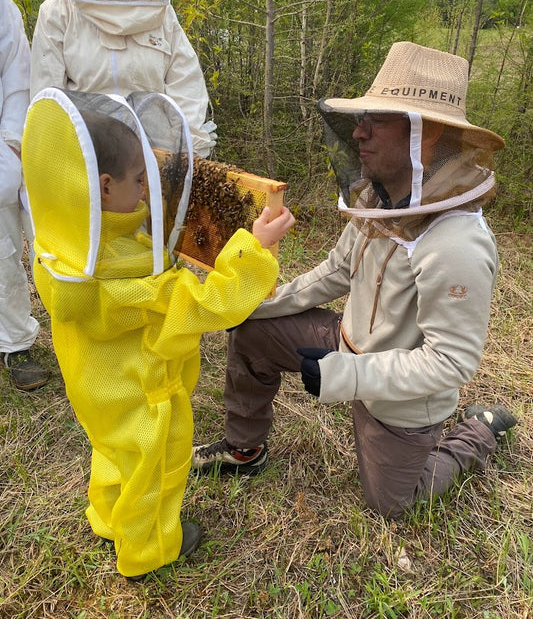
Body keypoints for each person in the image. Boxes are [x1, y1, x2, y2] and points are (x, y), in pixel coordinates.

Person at [192, 41, 518, 520]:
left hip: (401, 400)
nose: (359, 133)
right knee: (251, 331)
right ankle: (244, 451)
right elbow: (336, 272)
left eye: (377, 119)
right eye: (361, 118)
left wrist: (345, 376)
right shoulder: (377, 199)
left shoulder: (457, 244)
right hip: (346, 343)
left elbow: (450, 362)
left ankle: (479, 432)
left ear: (424, 134)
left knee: (394, 504)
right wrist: (248, 304)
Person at [21, 88, 294, 578]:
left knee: (112, 452)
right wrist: (255, 249)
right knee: (156, 468)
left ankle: (107, 518)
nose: (147, 191)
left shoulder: (61, 248)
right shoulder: (133, 276)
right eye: (139, 181)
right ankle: (148, 550)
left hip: (96, 393)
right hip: (141, 394)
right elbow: (211, 304)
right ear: (103, 186)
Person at [30, 0, 216, 157]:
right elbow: (47, 98)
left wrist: (186, 151)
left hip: (157, 157)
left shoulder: (159, 11)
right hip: (85, 157)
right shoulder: (57, 12)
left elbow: (186, 85)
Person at [0, 0, 48, 391]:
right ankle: (16, 343)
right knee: (0, 255)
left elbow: (18, 68)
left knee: (50, 241)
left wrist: (13, 140)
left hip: (15, 142)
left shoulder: (0, 0)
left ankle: (78, 329)